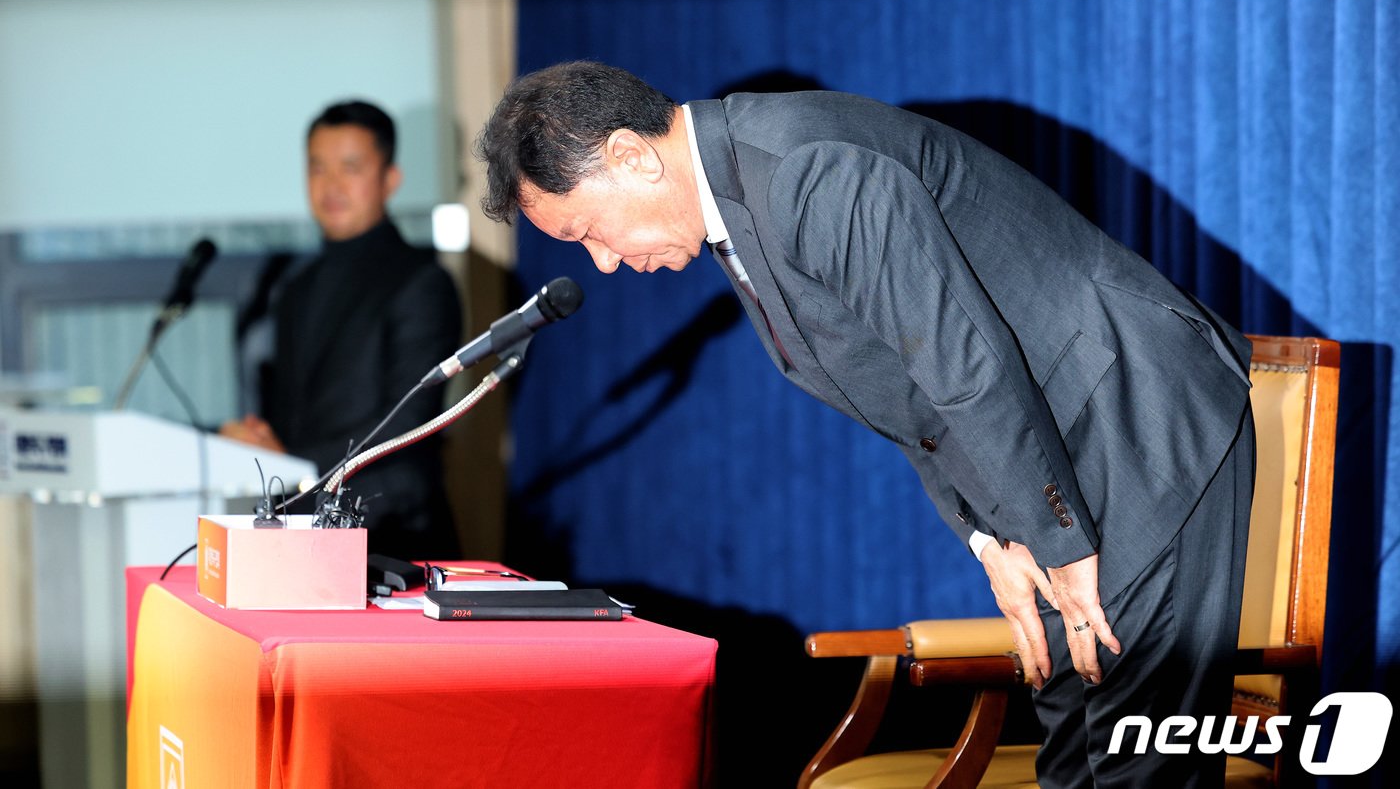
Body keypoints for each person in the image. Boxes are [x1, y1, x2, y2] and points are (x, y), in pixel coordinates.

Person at [474, 61, 1256, 787]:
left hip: (1135, 420)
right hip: (1053, 458)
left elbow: (963, 369)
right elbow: (909, 399)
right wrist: (993, 540)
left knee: (1137, 760)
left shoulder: (807, 170)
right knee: (1070, 755)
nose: (603, 263)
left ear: (632, 156)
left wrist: (1058, 541)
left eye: (586, 232)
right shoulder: (738, 199)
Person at [221, 100, 463, 560]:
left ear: (390, 178)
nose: (331, 185)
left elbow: (408, 422)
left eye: (350, 167)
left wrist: (288, 461)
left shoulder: (421, 282)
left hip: (395, 536)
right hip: (304, 524)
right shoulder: (295, 286)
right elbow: (291, 415)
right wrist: (253, 439)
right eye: (317, 168)